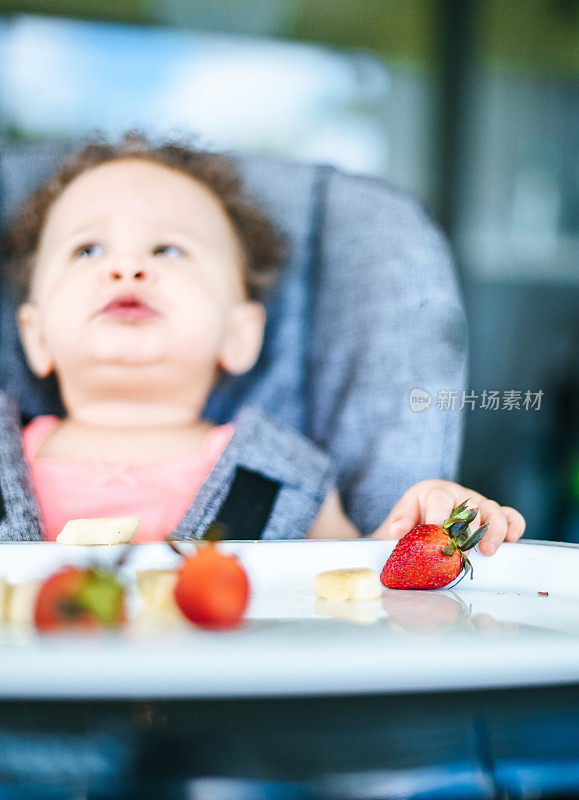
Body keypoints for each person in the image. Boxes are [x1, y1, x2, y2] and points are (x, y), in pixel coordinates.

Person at [1, 133, 525, 550]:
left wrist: (425, 524)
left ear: (240, 334)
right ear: (36, 335)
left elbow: (362, 591)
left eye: (168, 250)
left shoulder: (285, 477)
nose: (127, 267)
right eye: (87, 251)